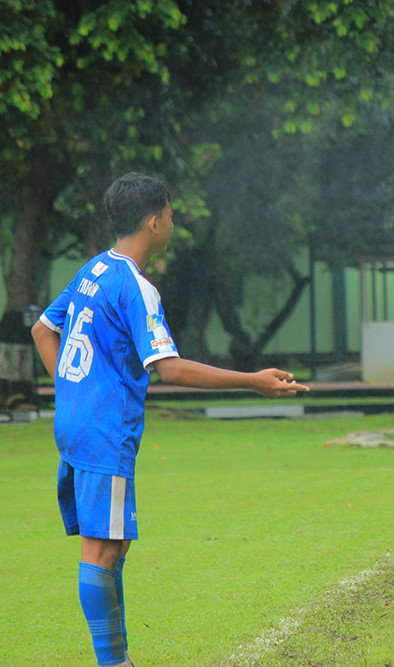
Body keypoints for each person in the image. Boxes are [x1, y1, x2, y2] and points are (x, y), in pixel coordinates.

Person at [31, 172, 309, 667]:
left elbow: (42, 330)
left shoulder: (91, 270)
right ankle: (112, 662)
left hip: (76, 426)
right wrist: (254, 380)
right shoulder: (135, 287)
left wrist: (71, 393)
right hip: (103, 433)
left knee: (110, 547)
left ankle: (117, 659)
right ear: (155, 221)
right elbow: (169, 368)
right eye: (173, 215)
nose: (175, 222)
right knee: (100, 552)